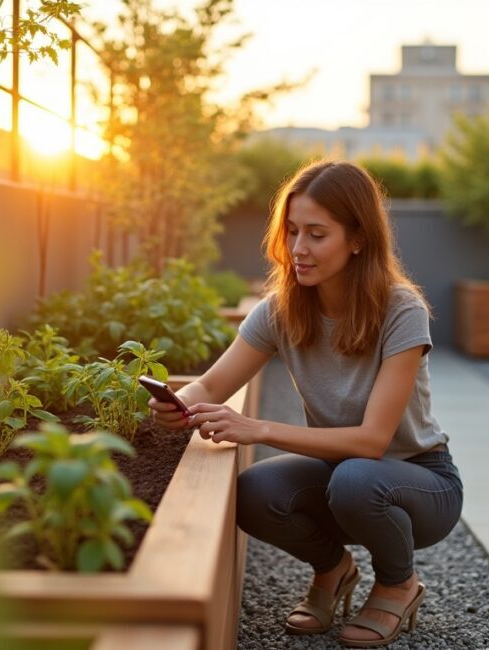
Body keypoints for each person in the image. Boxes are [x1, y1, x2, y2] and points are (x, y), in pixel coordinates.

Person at [149, 160, 462, 647]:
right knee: (254, 492)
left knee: (357, 479)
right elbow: (209, 385)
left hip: (421, 480)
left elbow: (373, 441)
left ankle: (399, 582)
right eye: (292, 231)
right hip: (342, 474)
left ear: (357, 238)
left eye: (317, 234)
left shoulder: (402, 310)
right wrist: (177, 403)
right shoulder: (281, 308)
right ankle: (333, 570)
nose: (298, 248)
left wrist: (259, 428)